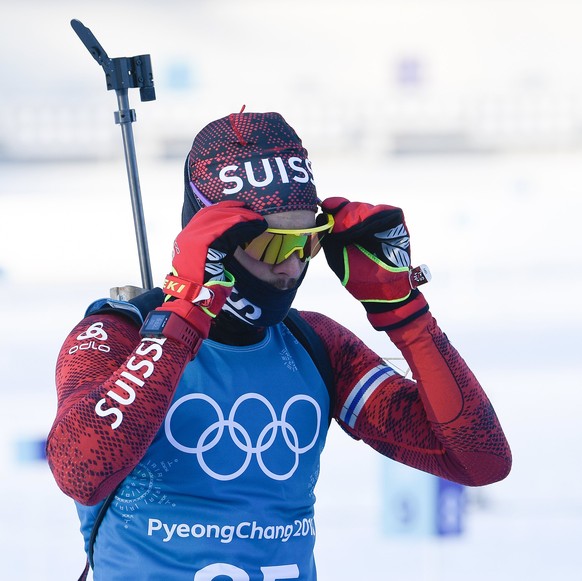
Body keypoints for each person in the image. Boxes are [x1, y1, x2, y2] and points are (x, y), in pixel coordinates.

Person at [46, 110, 512, 581]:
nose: (290, 269)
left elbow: (479, 458)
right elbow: (80, 470)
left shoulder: (313, 345)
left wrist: (406, 315)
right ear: (210, 239)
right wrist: (182, 315)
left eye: (305, 243)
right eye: (271, 246)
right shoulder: (117, 335)